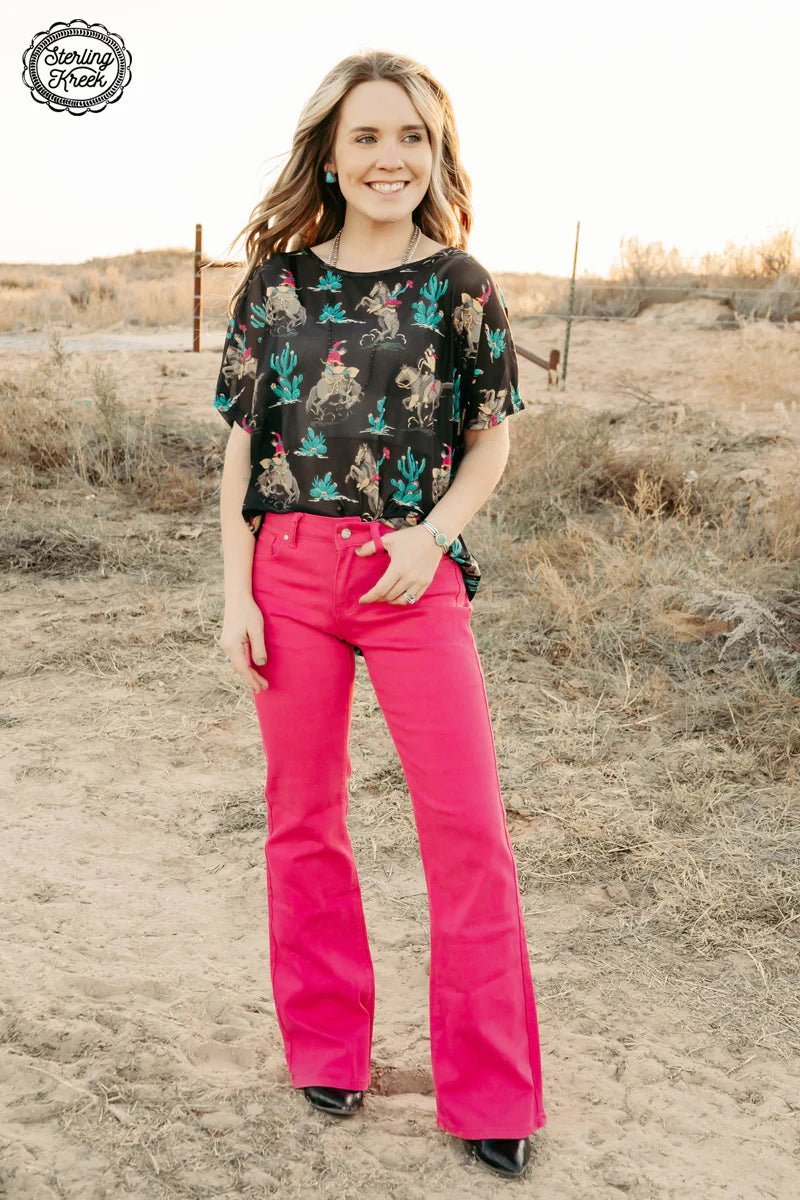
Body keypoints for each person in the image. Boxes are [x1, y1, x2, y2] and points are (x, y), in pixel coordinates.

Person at [214, 49, 546, 1179]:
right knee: (302, 819)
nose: (389, 157)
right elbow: (242, 451)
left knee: (469, 831)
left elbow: (491, 439)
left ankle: (492, 1093)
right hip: (288, 571)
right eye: (366, 136)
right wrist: (235, 594)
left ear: (434, 154)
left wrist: (429, 537)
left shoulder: (460, 284)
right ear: (330, 153)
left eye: (411, 136)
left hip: (412, 576)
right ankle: (326, 1051)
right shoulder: (275, 286)